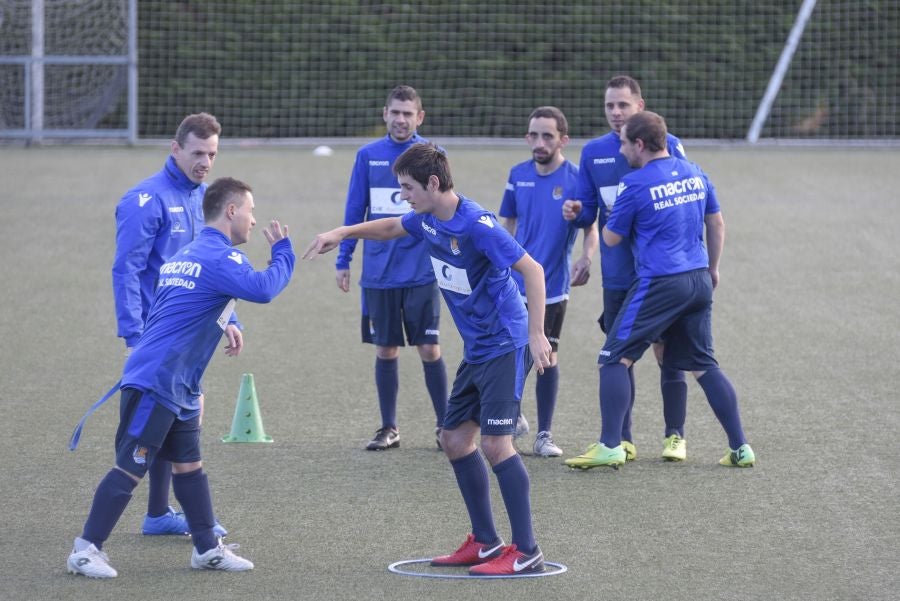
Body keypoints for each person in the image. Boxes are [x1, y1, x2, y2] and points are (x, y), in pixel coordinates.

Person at [305, 143, 552, 576]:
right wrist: (343, 233)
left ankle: (528, 549)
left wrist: (536, 335)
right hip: (478, 349)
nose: (403, 196)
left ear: (433, 184)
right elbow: (388, 229)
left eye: (408, 188)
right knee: (455, 439)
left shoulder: (478, 225)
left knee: (496, 443)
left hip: (505, 343)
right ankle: (485, 543)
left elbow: (533, 270)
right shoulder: (426, 220)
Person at [67, 177, 296, 578]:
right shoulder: (222, 258)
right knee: (130, 466)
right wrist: (282, 252)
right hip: (157, 382)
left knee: (189, 466)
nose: (252, 218)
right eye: (250, 211)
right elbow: (263, 289)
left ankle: (207, 548)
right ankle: (85, 550)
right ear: (231, 211)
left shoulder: (184, 254)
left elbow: (189, 302)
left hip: (180, 384)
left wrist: (226, 321)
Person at [564, 111, 755, 470]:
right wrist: (713, 268)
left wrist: (618, 213)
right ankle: (740, 447)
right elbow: (715, 221)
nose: (620, 152)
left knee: (612, 358)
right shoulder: (696, 172)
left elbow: (611, 237)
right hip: (698, 277)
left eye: (624, 143)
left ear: (639, 144)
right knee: (703, 365)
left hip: (659, 281)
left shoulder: (635, 184)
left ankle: (610, 445)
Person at [562, 75, 690, 464]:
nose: (615, 113)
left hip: (662, 274)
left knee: (668, 352)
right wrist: (576, 213)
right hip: (618, 276)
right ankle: (624, 439)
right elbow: (587, 209)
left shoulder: (671, 149)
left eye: (623, 105)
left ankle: (675, 436)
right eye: (609, 106)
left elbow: (688, 202)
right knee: (622, 353)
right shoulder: (594, 152)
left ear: (640, 107)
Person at [111, 112, 228, 536]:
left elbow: (210, 269)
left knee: (185, 416)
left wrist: (228, 319)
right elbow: (127, 270)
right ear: (175, 148)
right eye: (198, 152)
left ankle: (159, 514)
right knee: (163, 423)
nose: (205, 162)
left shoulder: (203, 198)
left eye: (212, 153)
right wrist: (133, 336)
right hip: (155, 339)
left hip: (190, 337)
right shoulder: (146, 200)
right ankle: (106, 532)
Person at [335, 85, 448, 451]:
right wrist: (344, 258)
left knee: (429, 348)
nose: (401, 119)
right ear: (385, 114)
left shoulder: (432, 155)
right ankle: (389, 427)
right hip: (380, 275)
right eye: (395, 112)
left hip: (422, 272)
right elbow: (356, 211)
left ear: (420, 116)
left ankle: (445, 427)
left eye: (407, 113)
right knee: (386, 349)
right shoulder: (368, 156)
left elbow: (446, 210)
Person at [498, 106, 598, 457]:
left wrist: (586, 257)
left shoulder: (576, 179)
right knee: (508, 353)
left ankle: (544, 435)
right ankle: (515, 418)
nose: (539, 142)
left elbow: (590, 225)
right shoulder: (517, 174)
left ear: (563, 140)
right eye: (533, 135)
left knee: (546, 356)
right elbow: (506, 225)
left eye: (547, 136)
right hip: (513, 284)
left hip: (553, 287)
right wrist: (496, 267)